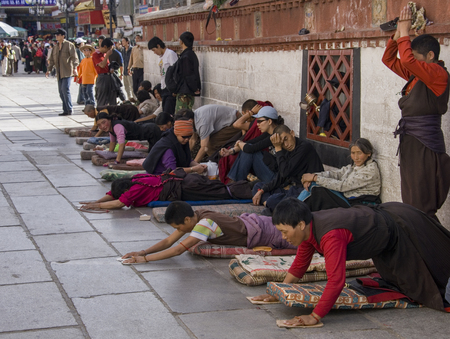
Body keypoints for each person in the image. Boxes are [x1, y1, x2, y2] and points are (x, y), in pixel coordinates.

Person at [252, 197, 450, 327]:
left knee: (434, 273)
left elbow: (336, 281)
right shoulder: (308, 230)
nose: (284, 237)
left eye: (285, 232)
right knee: (402, 284)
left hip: (403, 224)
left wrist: (314, 316)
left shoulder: (331, 235)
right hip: (384, 234)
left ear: (301, 224)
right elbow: (300, 263)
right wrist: (280, 291)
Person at [381, 6, 450, 220]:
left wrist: (405, 31)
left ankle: (432, 247)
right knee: (411, 201)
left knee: (422, 202)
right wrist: (396, 35)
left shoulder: (438, 74)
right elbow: (389, 60)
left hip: (425, 145)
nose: (413, 63)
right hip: (411, 142)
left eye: (417, 58)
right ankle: (418, 243)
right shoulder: (417, 75)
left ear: (430, 56)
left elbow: (408, 60)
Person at [119, 200, 296, 264]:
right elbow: (168, 242)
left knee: (306, 239)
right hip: (260, 224)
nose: (179, 231)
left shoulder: (204, 224)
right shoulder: (197, 215)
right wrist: (142, 252)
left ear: (187, 220)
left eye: (179, 227)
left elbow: (178, 249)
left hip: (267, 232)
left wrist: (145, 259)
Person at [266, 138, 381, 213]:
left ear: (368, 153)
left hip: (356, 204)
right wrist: (313, 175)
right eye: (353, 153)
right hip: (346, 198)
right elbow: (336, 173)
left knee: (317, 189)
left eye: (359, 153)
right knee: (313, 187)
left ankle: (291, 214)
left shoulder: (370, 171)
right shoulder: (355, 166)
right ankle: (291, 212)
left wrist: (315, 178)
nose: (355, 157)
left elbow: (343, 186)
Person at [81, 170, 253, 210]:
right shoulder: (136, 178)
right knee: (219, 187)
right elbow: (112, 194)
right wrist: (95, 201)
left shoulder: (134, 189)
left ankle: (254, 190)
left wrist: (95, 207)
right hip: (186, 180)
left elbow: (118, 202)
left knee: (223, 193)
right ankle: (252, 187)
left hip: (186, 188)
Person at [252, 125, 324, 206]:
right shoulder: (287, 150)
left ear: (292, 133)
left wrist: (278, 148)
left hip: (308, 191)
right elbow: (280, 177)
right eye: (282, 143)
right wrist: (262, 190)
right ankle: (270, 205)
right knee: (258, 187)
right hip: (295, 190)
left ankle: (270, 205)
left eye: (286, 139)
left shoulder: (304, 147)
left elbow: (285, 172)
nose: (286, 145)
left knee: (274, 200)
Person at [224, 105, 283, 184]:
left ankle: (235, 184)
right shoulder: (268, 134)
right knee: (247, 148)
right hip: (271, 172)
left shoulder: (275, 136)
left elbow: (250, 148)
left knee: (248, 151)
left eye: (260, 121)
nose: (257, 124)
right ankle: (235, 184)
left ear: (269, 121)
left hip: (276, 179)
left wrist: (241, 144)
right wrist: (231, 151)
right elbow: (251, 142)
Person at [175, 105, 241, 163]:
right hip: (226, 122)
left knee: (210, 145)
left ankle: (219, 164)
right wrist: (184, 157)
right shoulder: (194, 119)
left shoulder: (202, 123)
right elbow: (192, 140)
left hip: (235, 122)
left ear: (190, 121)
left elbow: (204, 147)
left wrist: (194, 165)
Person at [95, 112, 162, 163]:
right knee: (151, 155)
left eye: (104, 122)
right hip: (148, 133)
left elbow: (122, 145)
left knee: (155, 155)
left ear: (109, 120)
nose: (102, 126)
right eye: (99, 125)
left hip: (152, 131)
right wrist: (109, 157)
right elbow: (112, 143)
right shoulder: (111, 129)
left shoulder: (117, 126)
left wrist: (117, 161)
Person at [46, 28, 80, 116]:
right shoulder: (55, 47)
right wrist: (48, 70)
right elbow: (52, 60)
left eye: (58, 35)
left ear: (63, 36)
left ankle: (69, 108)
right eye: (56, 35)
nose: (56, 36)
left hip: (67, 71)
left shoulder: (69, 45)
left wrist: (75, 68)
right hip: (59, 73)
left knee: (65, 89)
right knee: (61, 91)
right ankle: (65, 109)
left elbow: (74, 58)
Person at [148, 36, 178, 115]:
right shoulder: (160, 57)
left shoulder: (170, 54)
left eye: (154, 50)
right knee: (164, 112)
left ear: (158, 46)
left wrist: (175, 89)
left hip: (170, 89)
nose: (155, 52)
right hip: (163, 88)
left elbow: (176, 71)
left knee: (168, 114)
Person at [174, 31, 201, 111]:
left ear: (181, 41)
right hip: (187, 91)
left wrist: (194, 88)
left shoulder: (186, 56)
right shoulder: (191, 54)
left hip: (185, 92)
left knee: (181, 115)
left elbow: (188, 75)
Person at [91, 38, 116, 106]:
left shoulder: (104, 54)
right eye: (109, 48)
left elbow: (107, 64)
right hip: (102, 77)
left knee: (112, 97)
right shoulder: (96, 54)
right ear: (105, 47)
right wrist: (107, 55)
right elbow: (102, 65)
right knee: (102, 98)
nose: (110, 51)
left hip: (108, 76)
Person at [74, 37, 86, 105]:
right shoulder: (78, 51)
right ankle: (81, 99)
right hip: (80, 69)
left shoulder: (79, 50)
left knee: (82, 84)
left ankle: (80, 98)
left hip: (81, 69)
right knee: (82, 84)